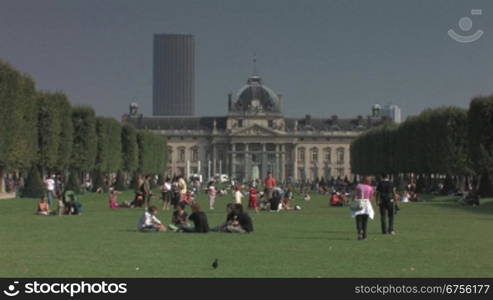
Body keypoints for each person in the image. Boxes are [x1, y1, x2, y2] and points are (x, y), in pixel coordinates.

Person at [351, 176, 375, 240]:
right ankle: (365, 236)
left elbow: (354, 195)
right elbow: (371, 198)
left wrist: (352, 201)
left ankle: (359, 233)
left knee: (358, 219)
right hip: (366, 203)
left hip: (359, 202)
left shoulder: (358, 186)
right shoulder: (370, 188)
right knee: (365, 220)